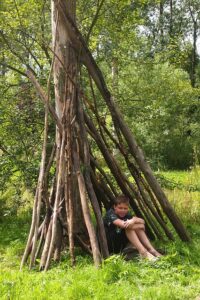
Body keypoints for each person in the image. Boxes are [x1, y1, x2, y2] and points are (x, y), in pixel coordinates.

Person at [103, 194, 162, 261]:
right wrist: (139, 225)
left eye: (125, 208)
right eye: (120, 208)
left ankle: (151, 250)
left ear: (128, 208)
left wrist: (133, 220)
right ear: (115, 207)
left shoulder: (126, 214)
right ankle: (143, 252)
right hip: (110, 244)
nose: (123, 210)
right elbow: (124, 225)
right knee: (129, 227)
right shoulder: (110, 214)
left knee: (132, 226)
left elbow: (142, 221)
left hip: (121, 241)